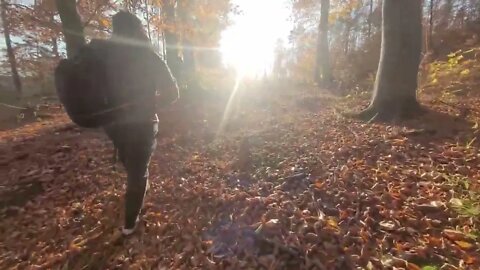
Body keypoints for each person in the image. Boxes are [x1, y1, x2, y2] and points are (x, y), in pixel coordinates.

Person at [104, 11, 179, 235]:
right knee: (137, 171)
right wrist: (148, 107)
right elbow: (172, 92)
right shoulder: (148, 55)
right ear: (138, 30)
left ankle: (133, 205)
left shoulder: (103, 58)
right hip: (142, 123)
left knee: (133, 166)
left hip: (113, 125)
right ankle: (130, 224)